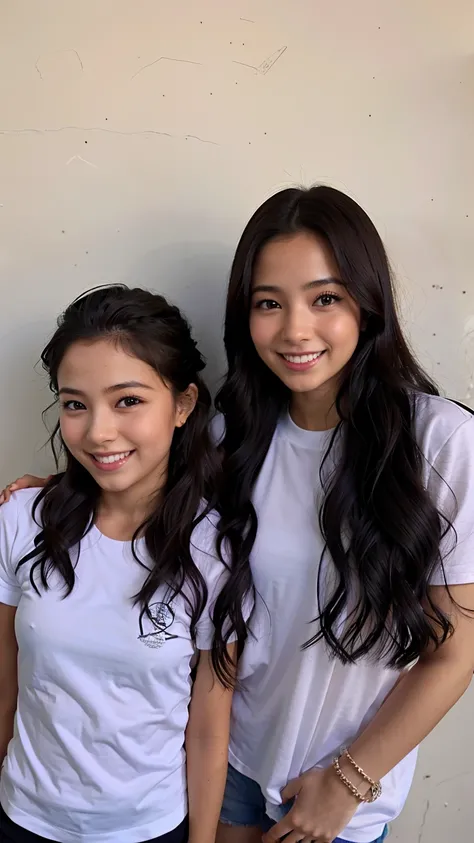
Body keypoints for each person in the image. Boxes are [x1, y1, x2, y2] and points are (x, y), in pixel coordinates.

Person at [5, 186, 474, 843]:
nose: (294, 330)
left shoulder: (441, 441)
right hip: (228, 764)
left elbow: (456, 649)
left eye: (326, 298)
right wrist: (52, 491)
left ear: (368, 303)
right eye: (268, 304)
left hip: (340, 787)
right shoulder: (233, 436)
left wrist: (347, 783)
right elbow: (136, 474)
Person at [0, 285, 236, 843]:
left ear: (182, 405)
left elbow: (207, 729)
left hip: (149, 828)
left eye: (128, 400)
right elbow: (4, 679)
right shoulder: (21, 519)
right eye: (75, 403)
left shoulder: (213, 548)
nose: (98, 431)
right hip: (23, 819)